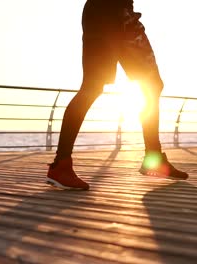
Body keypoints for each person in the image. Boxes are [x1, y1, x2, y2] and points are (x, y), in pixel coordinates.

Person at [47, 0, 188, 190]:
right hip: (108, 14)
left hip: (113, 14)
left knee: (148, 85)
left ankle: (153, 158)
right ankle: (61, 165)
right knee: (95, 86)